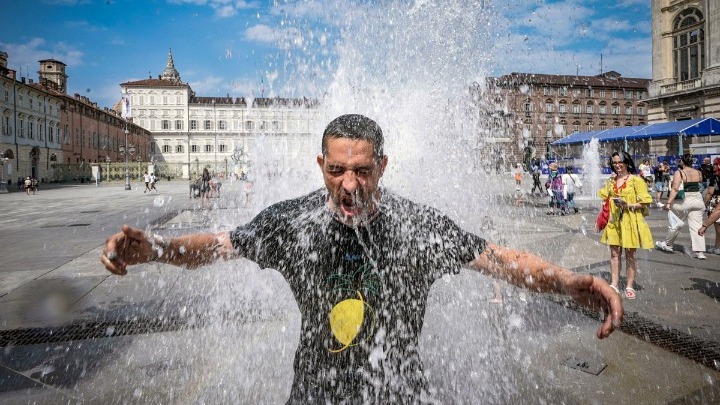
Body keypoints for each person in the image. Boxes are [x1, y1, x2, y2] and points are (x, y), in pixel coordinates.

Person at [101, 114, 622, 403]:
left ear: (383, 165)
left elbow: (499, 260)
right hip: (313, 394)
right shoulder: (294, 224)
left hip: (399, 394)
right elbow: (218, 245)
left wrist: (569, 282)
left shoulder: (417, 227)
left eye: (363, 171)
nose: (349, 186)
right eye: (335, 170)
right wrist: (158, 249)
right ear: (321, 164)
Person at [596, 151, 653, 300]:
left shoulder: (636, 180)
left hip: (630, 220)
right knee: (614, 253)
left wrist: (628, 205)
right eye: (614, 163)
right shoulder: (610, 181)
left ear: (627, 162)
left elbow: (645, 202)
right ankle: (614, 284)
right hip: (614, 222)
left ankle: (629, 285)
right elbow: (605, 201)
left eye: (619, 162)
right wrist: (600, 220)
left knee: (630, 254)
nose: (617, 165)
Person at [655, 153, 707, 259]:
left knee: (675, 222)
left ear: (682, 161)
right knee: (697, 225)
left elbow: (675, 189)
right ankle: (700, 252)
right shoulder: (699, 172)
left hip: (684, 200)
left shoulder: (679, 173)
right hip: (698, 198)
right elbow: (701, 185)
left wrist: (669, 202)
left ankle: (668, 244)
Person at [701, 161, 720, 254]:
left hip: (716, 201)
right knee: (717, 226)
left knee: (718, 227)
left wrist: (703, 203)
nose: (713, 166)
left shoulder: (714, 177)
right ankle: (717, 246)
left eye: (715, 164)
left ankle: (718, 247)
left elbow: (709, 193)